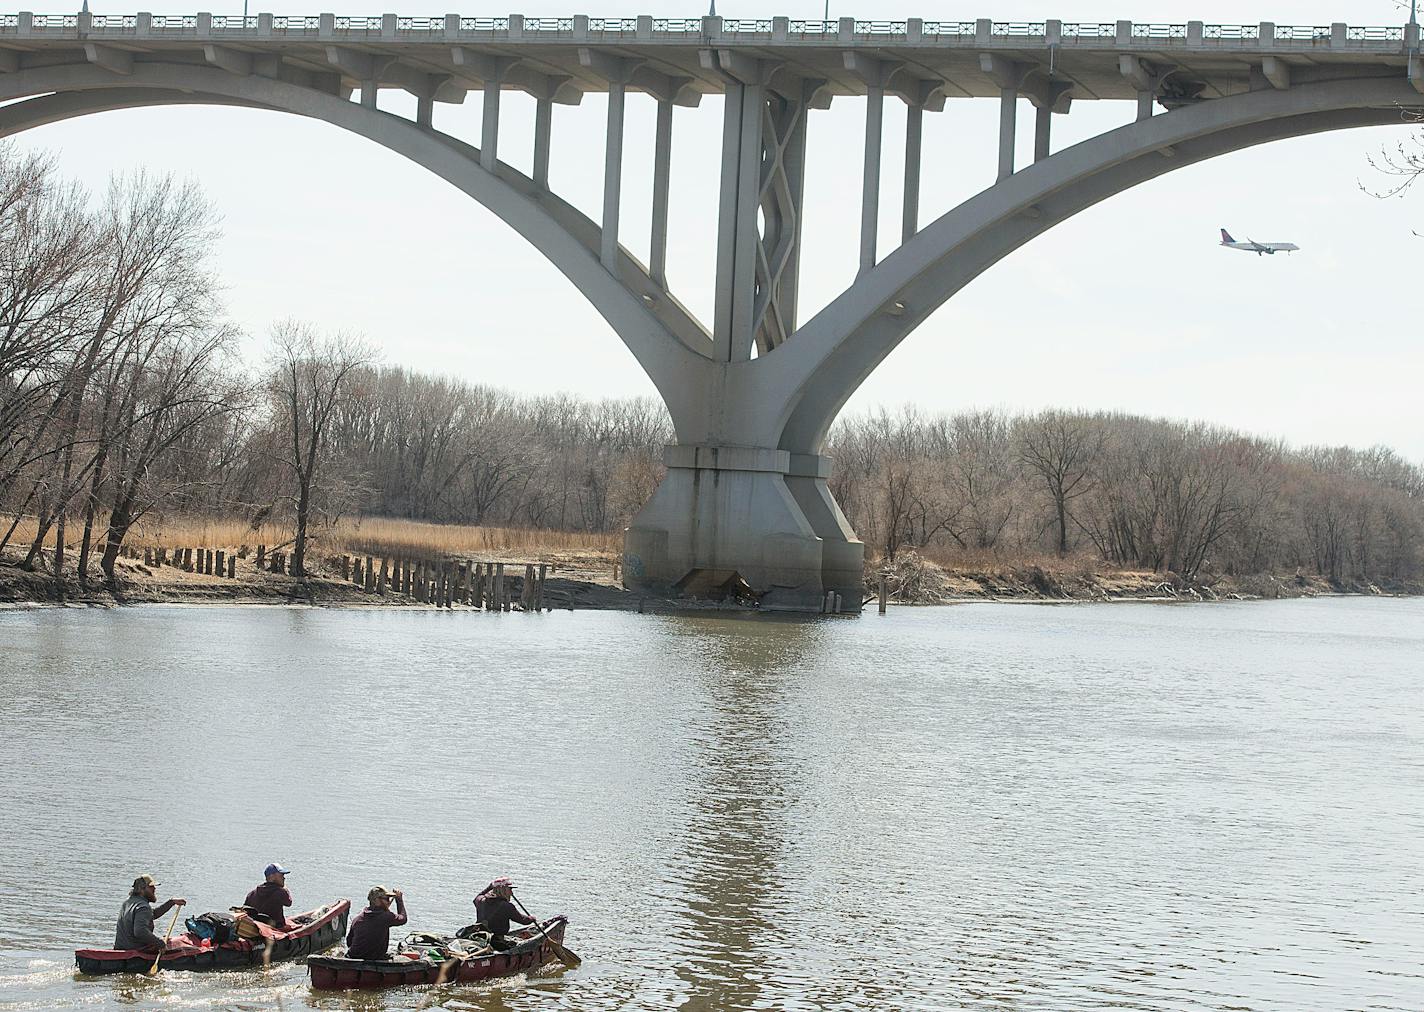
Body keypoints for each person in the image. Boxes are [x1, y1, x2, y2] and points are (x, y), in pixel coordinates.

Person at [114, 874, 187, 952]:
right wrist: (160, 944)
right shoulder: (143, 907)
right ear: (141, 889)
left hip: (121, 948)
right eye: (151, 887)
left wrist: (171, 902)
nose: (154, 888)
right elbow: (140, 931)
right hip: (136, 953)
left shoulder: (128, 902)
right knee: (182, 947)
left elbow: (152, 914)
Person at [344, 886, 407, 960]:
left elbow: (349, 942)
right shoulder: (386, 917)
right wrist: (399, 900)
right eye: (386, 899)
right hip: (373, 959)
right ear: (377, 900)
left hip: (353, 956)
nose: (388, 901)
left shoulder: (357, 919)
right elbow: (403, 919)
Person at [472, 877, 532, 950]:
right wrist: (531, 918)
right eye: (510, 889)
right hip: (497, 942)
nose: (511, 893)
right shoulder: (507, 906)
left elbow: (478, 896)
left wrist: (490, 887)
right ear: (504, 890)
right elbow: (523, 920)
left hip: (480, 937)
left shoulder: (481, 900)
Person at [242, 863, 292, 931]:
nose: (284, 878)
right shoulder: (280, 892)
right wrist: (285, 889)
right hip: (275, 928)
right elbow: (289, 903)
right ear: (272, 876)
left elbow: (245, 910)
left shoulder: (252, 893)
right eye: (281, 875)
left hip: (257, 928)